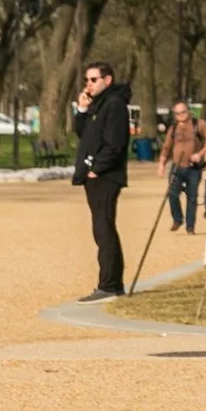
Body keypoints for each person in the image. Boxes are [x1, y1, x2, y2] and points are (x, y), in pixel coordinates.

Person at [71, 63, 131, 301]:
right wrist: (83, 111)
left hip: (106, 177)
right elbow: (85, 135)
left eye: (93, 80)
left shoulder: (114, 105)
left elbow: (115, 143)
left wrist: (97, 168)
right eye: (86, 80)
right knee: (101, 228)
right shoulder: (99, 105)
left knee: (104, 228)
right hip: (94, 175)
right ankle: (111, 283)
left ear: (107, 79)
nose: (88, 84)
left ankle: (109, 284)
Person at [158, 101, 206, 234]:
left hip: (194, 167)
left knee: (192, 197)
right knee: (172, 193)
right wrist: (161, 164)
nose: (181, 115)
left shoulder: (199, 124)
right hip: (177, 166)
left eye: (184, 112)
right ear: (175, 115)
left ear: (189, 111)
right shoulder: (173, 128)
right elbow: (166, 148)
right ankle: (177, 219)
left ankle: (190, 226)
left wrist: (200, 154)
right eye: (178, 113)